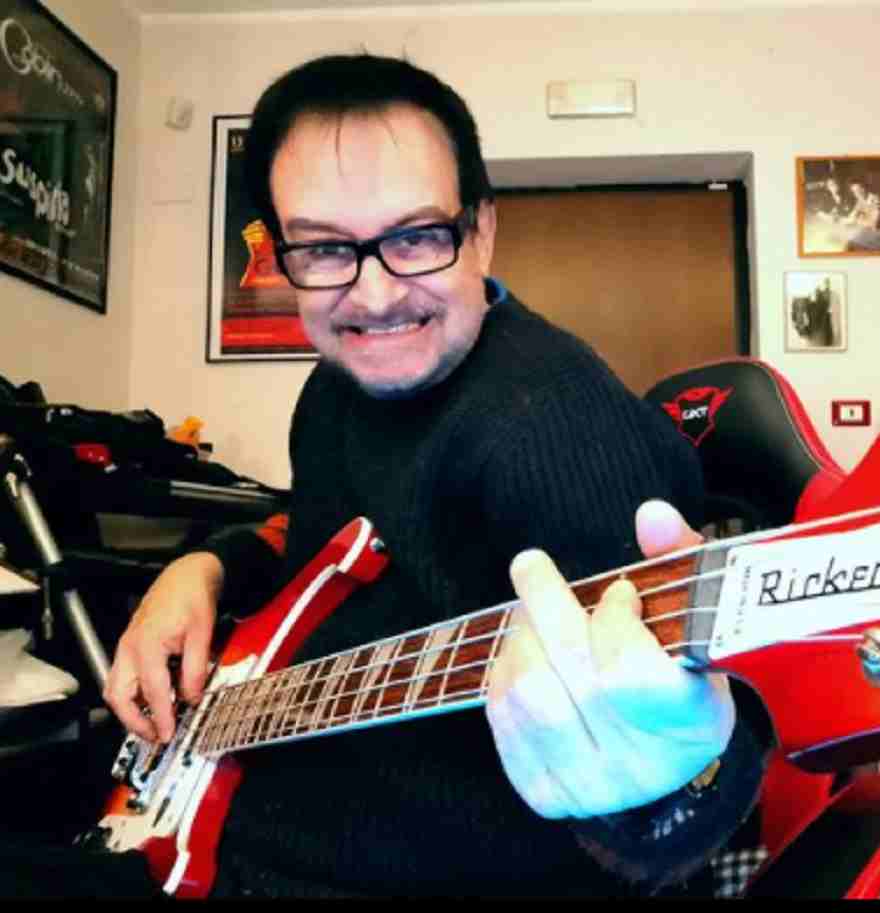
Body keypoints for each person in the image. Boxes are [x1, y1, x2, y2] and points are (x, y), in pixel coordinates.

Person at [0, 53, 767, 898]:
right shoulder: (334, 389)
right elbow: (319, 535)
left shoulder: (554, 423)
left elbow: (697, 765)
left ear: (480, 231)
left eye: (414, 237)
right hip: (234, 825)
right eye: (326, 248)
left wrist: (675, 785)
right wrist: (204, 567)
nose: (372, 296)